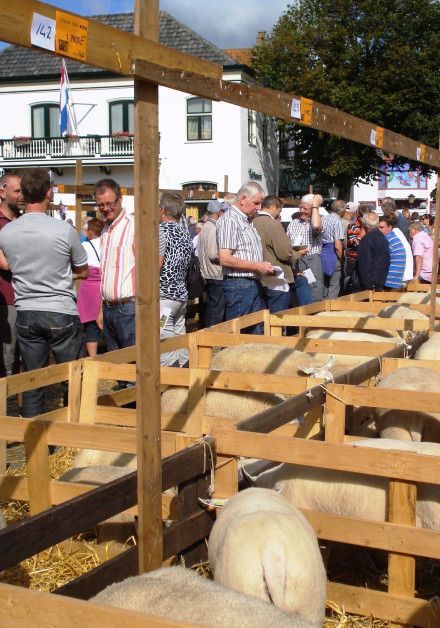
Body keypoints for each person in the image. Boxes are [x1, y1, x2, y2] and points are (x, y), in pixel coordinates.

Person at [0, 168, 87, 417]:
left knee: (32, 381)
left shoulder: (7, 232)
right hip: (60, 309)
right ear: (49, 192)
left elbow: (7, 265)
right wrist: (59, 275)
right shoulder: (64, 230)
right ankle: (73, 436)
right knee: (73, 377)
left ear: (24, 194)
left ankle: (34, 441)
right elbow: (82, 269)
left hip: (26, 310)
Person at [217, 181, 274, 334]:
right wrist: (257, 266)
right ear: (243, 198)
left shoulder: (245, 221)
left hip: (249, 283)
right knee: (238, 335)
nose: (259, 207)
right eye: (256, 203)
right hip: (239, 285)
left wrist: (261, 265)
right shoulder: (230, 220)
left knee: (255, 333)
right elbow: (225, 258)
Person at [95, 178, 135, 352]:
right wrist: (100, 309)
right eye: (100, 205)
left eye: (109, 203)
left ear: (120, 199)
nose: (105, 208)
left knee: (132, 364)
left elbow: (150, 267)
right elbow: (103, 273)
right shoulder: (105, 231)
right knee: (116, 366)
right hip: (109, 307)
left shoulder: (134, 226)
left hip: (129, 307)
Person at [253, 195, 310, 312]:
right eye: (279, 211)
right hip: (276, 277)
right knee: (277, 319)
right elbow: (285, 253)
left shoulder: (252, 221)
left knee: (262, 317)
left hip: (258, 276)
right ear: (273, 206)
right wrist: (298, 253)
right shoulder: (272, 224)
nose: (278, 214)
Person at [159, 192, 193, 366]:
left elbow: (157, 263)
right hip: (181, 296)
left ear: (162, 210)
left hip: (164, 298)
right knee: (180, 338)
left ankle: (170, 378)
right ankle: (184, 375)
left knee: (164, 339)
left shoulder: (160, 231)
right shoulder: (186, 234)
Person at [0, 172, 25, 376]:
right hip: (6, 298)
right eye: (17, 191)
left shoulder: (24, 222)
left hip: (27, 297)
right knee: (8, 359)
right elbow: (5, 265)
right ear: (2, 192)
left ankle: (22, 407)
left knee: (24, 359)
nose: (22, 195)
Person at [286, 193, 324, 302]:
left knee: (314, 291)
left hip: (311, 260)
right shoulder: (293, 223)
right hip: (295, 260)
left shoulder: (319, 221)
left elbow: (316, 226)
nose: (302, 210)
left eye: (305, 208)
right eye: (300, 207)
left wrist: (316, 205)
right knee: (296, 293)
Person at [77, 218, 105, 357]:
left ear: (91, 232)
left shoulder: (85, 246)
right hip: (104, 287)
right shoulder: (107, 243)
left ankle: (93, 357)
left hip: (88, 289)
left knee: (90, 325)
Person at [198, 199, 226, 327]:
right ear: (218, 212)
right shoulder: (213, 227)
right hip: (215, 273)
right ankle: (213, 339)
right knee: (217, 309)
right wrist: (228, 260)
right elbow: (212, 254)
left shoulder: (204, 227)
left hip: (208, 273)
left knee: (212, 307)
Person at [356, 212, 390, 291]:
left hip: (371, 283)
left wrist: (367, 284)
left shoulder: (367, 239)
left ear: (364, 224)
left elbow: (365, 264)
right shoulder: (383, 238)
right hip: (381, 279)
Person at [321, 199, 345, 299]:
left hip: (322, 253)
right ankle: (330, 309)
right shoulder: (337, 222)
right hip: (332, 254)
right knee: (334, 284)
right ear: (342, 210)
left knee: (324, 283)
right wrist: (341, 258)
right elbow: (337, 245)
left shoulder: (323, 218)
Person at [378, 215, 406, 290]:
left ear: (389, 227)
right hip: (396, 279)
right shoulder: (394, 238)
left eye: (381, 227)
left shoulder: (387, 240)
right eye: (378, 227)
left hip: (389, 280)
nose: (379, 229)